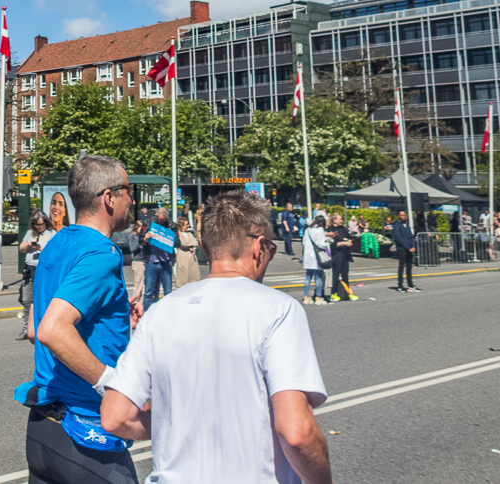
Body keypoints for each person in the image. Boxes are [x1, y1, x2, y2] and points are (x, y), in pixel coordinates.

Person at [101, 190, 331, 484]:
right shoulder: (278, 309)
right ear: (259, 247)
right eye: (271, 249)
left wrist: (176, 422)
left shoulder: (159, 312)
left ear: (208, 249)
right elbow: (297, 432)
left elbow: (114, 416)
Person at [17, 154, 143, 484]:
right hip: (85, 432)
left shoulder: (57, 243)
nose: (132, 198)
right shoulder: (101, 252)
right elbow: (51, 329)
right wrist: (111, 384)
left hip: (43, 430)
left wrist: (110, 318)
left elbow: (33, 328)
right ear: (109, 197)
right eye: (128, 190)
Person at [18, 210, 56, 341]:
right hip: (29, 269)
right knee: (27, 299)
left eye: (40, 224)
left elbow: (54, 253)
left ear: (46, 222)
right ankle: (26, 328)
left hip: (43, 270)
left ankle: (44, 327)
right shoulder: (30, 233)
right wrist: (28, 244)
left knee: (44, 299)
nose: (38, 227)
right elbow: (21, 248)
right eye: (35, 225)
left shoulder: (52, 234)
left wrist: (41, 248)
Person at [142, 207, 175, 310]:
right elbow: (140, 241)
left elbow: (178, 243)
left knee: (168, 291)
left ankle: (167, 314)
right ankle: (147, 315)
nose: (160, 222)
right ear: (156, 216)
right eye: (159, 220)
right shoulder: (147, 222)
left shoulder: (172, 225)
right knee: (149, 291)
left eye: (163, 220)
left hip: (166, 261)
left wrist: (171, 239)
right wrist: (145, 238)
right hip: (151, 261)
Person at [326, 213, 355, 302]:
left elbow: (350, 238)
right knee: (336, 274)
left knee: (345, 274)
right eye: (339, 219)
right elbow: (332, 244)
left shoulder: (343, 229)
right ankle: (334, 293)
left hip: (345, 254)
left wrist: (349, 240)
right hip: (337, 254)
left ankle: (347, 293)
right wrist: (343, 243)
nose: (341, 221)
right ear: (334, 220)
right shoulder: (331, 230)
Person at [301, 215, 328, 306]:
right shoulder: (320, 230)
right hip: (317, 256)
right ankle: (318, 297)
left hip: (308, 256)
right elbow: (321, 244)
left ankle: (306, 296)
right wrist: (326, 245)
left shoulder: (308, 230)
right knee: (318, 276)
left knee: (308, 276)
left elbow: (304, 242)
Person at [391, 209, 419, 292]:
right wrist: (408, 247)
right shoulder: (397, 225)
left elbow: (411, 237)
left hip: (409, 249)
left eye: (404, 215)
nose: (403, 217)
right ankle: (400, 285)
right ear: (399, 216)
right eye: (401, 215)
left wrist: (413, 246)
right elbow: (398, 238)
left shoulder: (406, 225)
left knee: (409, 267)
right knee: (401, 266)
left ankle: (410, 284)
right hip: (402, 248)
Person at [173, 216, 200, 289]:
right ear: (181, 225)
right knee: (183, 278)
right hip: (183, 258)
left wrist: (190, 244)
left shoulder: (189, 234)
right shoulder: (178, 235)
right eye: (186, 224)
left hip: (192, 259)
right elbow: (182, 244)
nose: (188, 226)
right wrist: (190, 244)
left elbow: (195, 242)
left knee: (193, 279)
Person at [127, 220, 146, 300]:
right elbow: (132, 248)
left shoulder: (141, 236)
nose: (142, 231)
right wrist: (140, 242)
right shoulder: (133, 236)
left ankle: (141, 304)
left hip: (144, 260)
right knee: (138, 285)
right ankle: (136, 303)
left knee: (143, 285)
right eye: (140, 228)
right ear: (136, 227)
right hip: (138, 261)